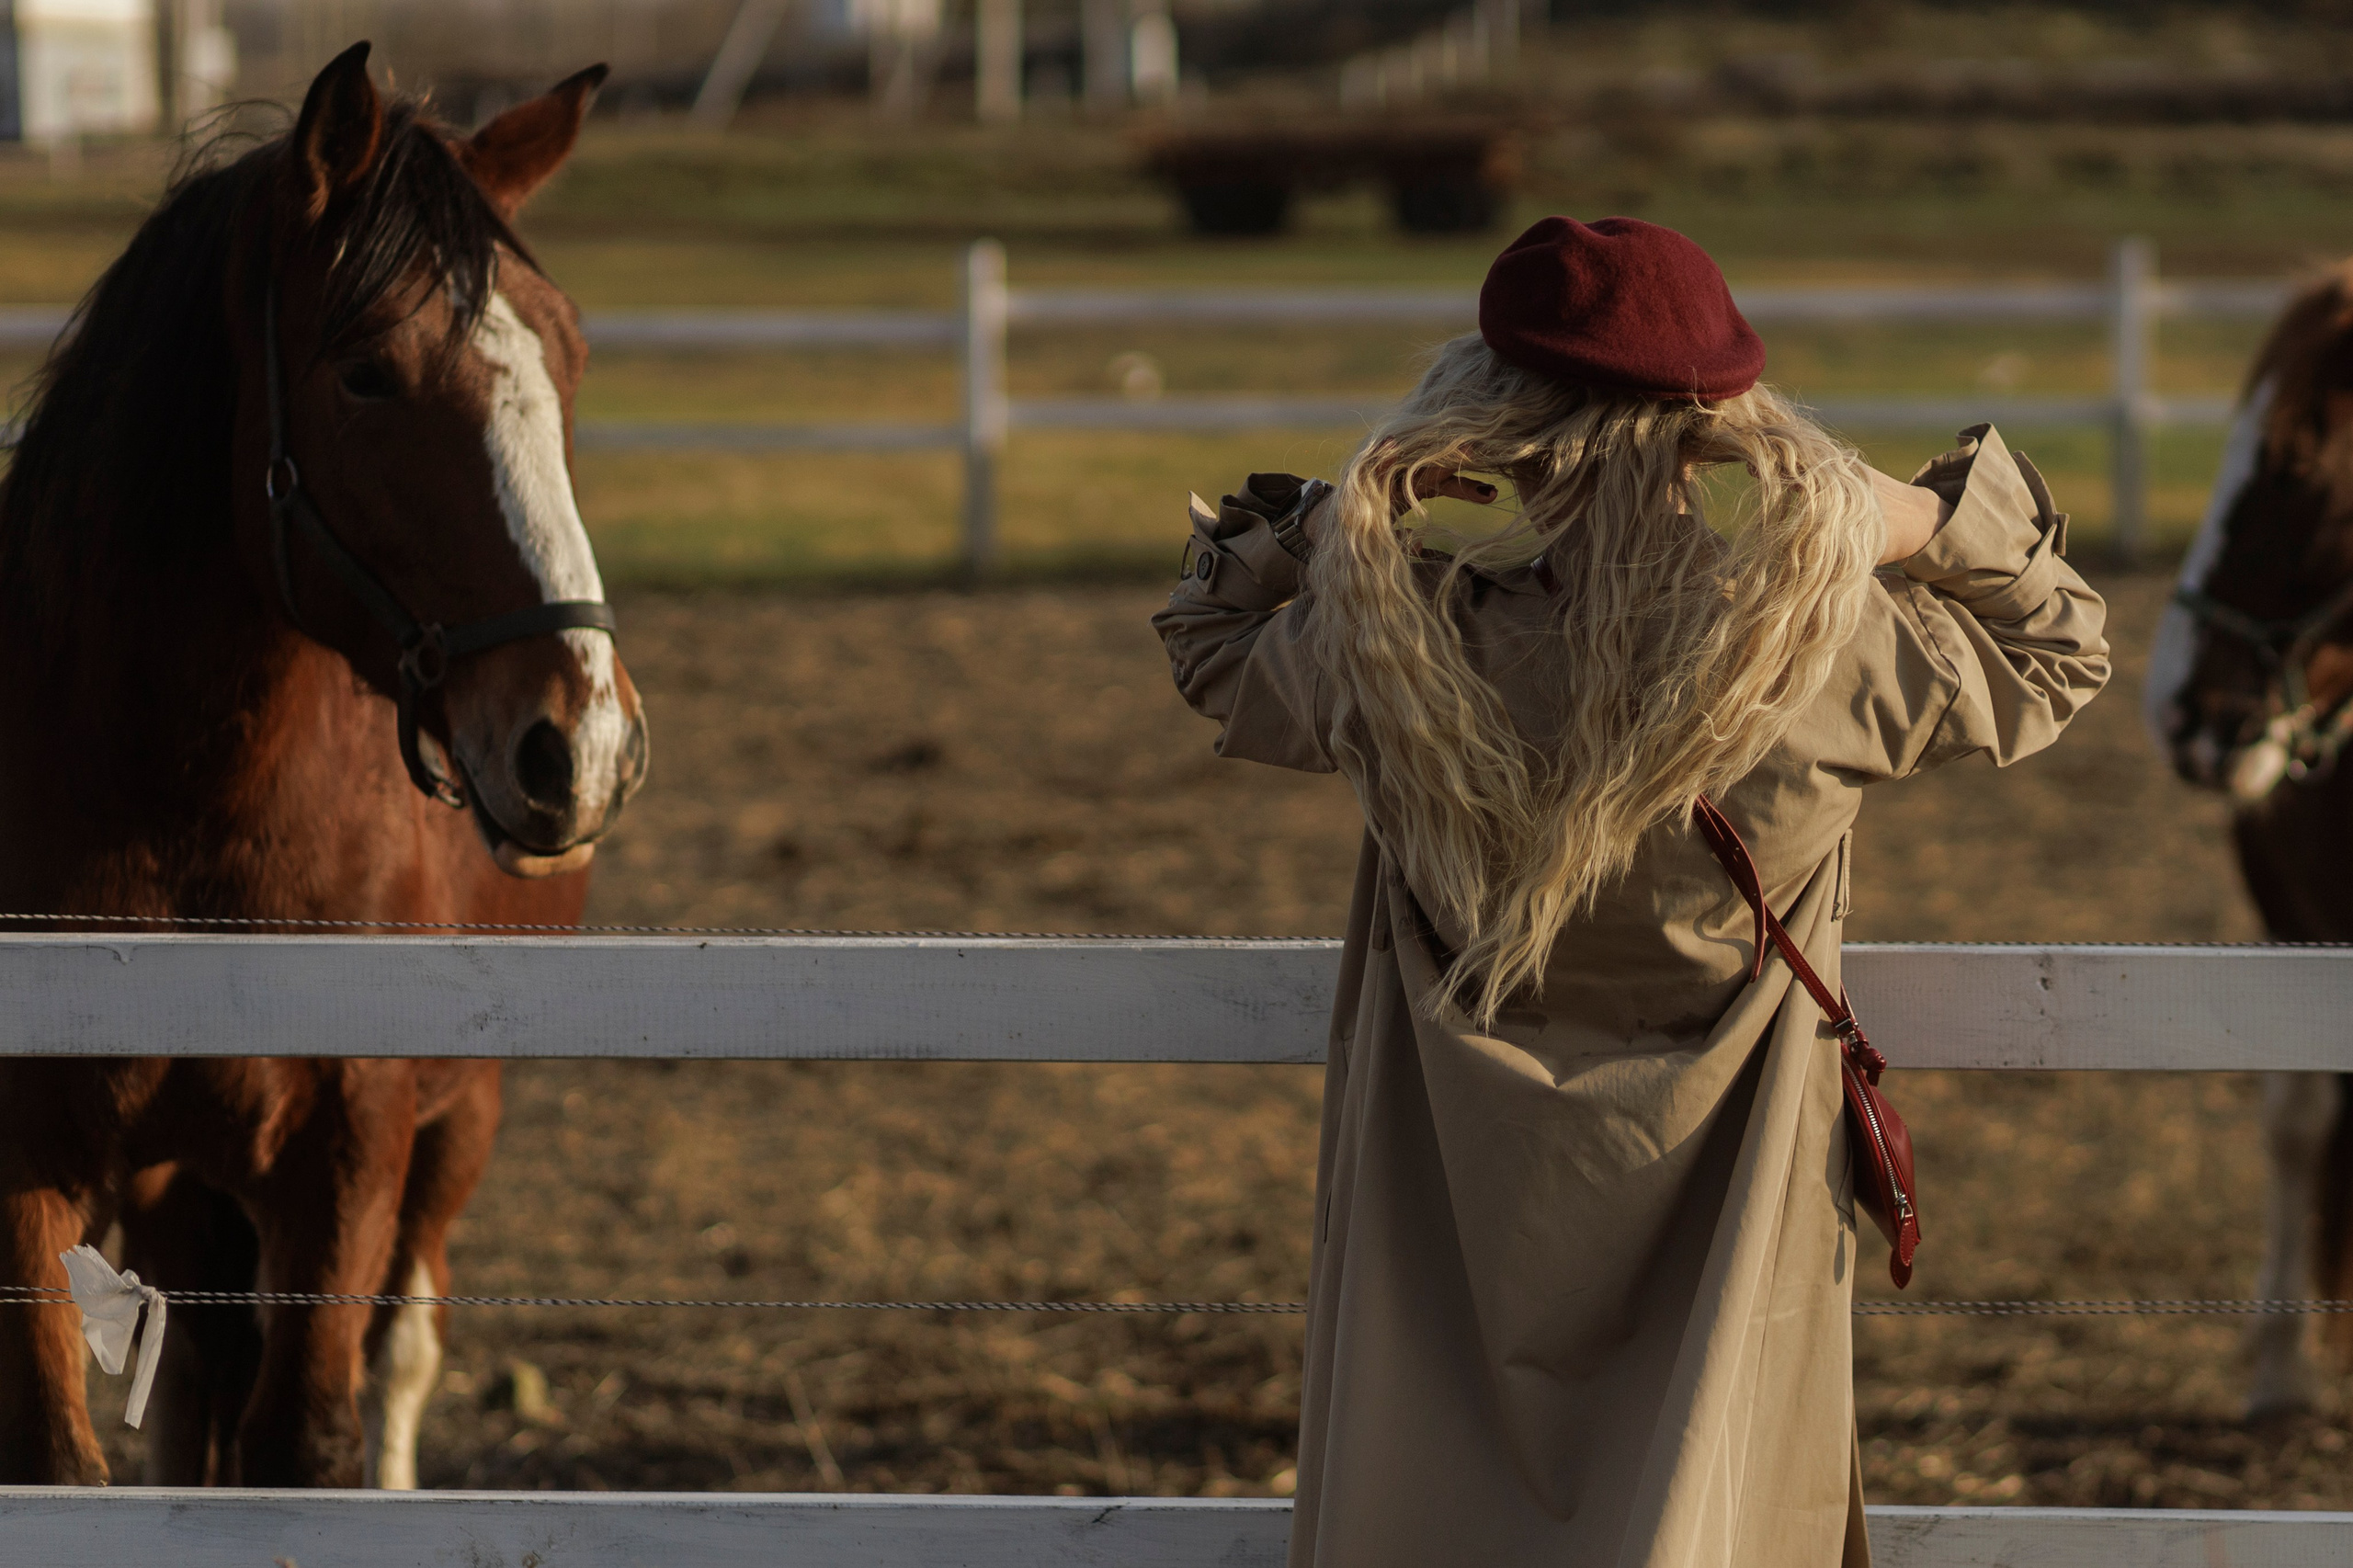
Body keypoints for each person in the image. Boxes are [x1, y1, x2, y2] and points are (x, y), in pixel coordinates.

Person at [1152, 215, 2109, 1568]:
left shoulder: (1398, 649)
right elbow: (2060, 649)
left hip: (1456, 1212)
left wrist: (1339, 516)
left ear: (1487, 420)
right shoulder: (1816, 653)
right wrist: (1912, 512)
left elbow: (1209, 640)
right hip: (1725, 1210)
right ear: (1727, 423)